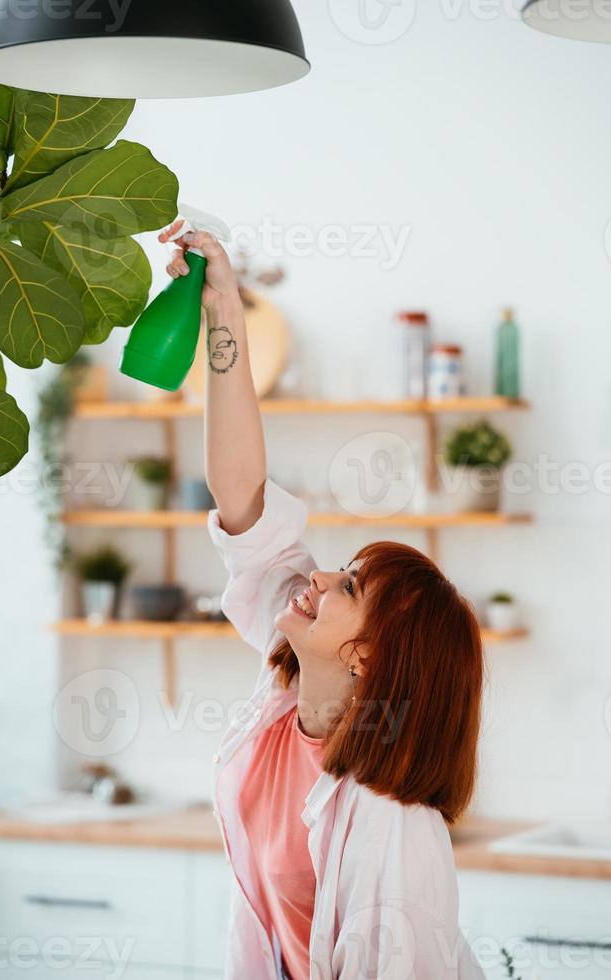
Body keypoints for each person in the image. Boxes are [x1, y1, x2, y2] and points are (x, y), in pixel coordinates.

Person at [159, 221, 485, 980]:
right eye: (339, 569)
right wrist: (224, 313)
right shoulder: (287, 686)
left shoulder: (394, 830)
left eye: (349, 588)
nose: (318, 579)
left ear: (367, 655)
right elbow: (240, 491)